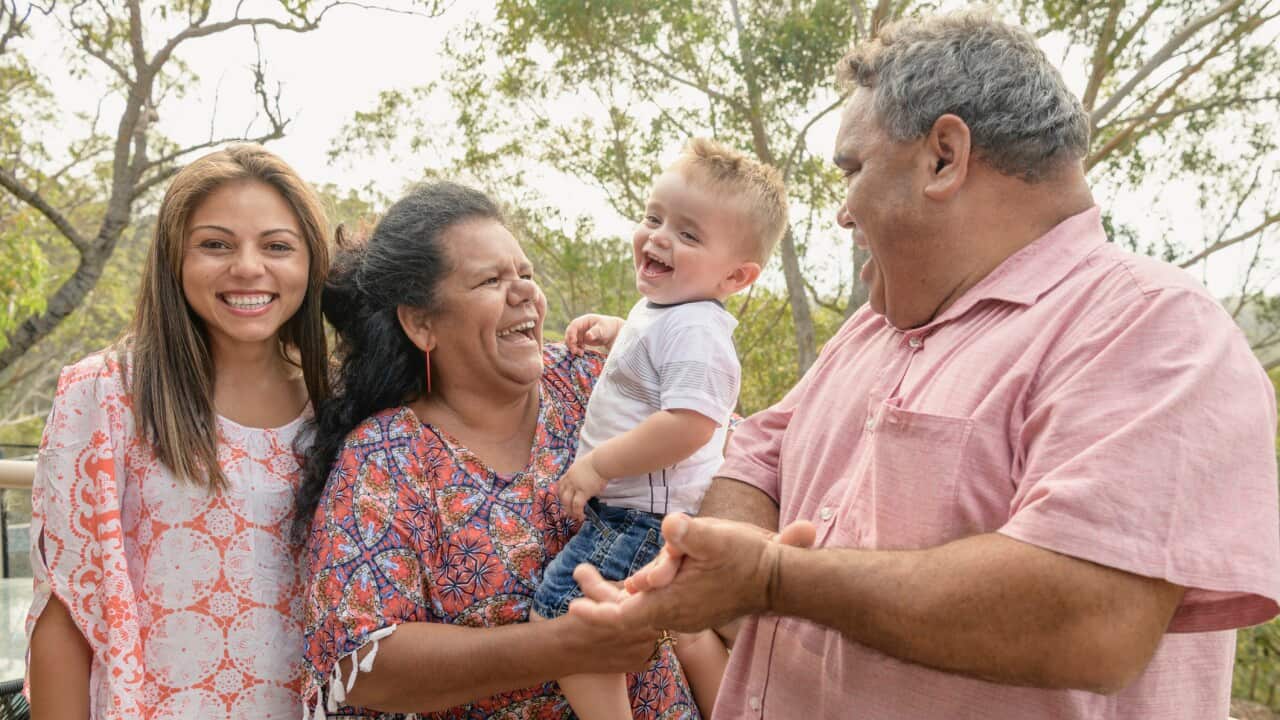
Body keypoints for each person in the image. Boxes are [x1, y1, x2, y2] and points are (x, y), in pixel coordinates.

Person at [570, 11, 1280, 720]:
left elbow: (1094, 620)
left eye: (853, 168)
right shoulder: (872, 329)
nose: (844, 212)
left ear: (944, 155)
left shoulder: (1152, 326)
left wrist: (776, 579)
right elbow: (752, 461)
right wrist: (727, 566)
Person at [294, 181, 697, 719]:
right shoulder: (388, 456)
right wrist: (562, 646)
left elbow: (731, 451)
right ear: (421, 323)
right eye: (490, 280)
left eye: (525, 274)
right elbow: (360, 662)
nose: (523, 292)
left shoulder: (595, 380)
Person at [25, 144, 332, 718]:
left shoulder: (341, 406)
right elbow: (67, 611)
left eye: (277, 246)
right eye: (215, 244)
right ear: (174, 259)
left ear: (311, 262)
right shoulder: (105, 393)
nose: (247, 267)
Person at [532, 137, 788, 720]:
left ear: (737, 275)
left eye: (688, 234)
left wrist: (599, 465)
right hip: (650, 513)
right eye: (654, 217)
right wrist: (618, 330)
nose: (659, 237)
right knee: (686, 630)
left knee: (567, 617)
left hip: (641, 515)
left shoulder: (697, 329)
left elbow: (693, 423)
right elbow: (658, 362)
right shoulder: (674, 313)